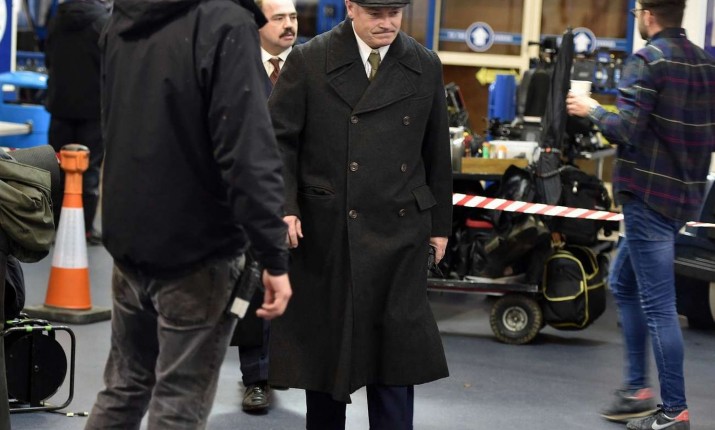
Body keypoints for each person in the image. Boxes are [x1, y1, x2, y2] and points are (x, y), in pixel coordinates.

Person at [84, 0, 292, 429]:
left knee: (123, 389)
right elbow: (248, 155)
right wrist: (273, 256)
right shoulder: (227, 23)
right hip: (196, 252)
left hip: (129, 241)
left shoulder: (124, 17)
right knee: (178, 405)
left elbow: (111, 125)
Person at [267, 0, 453, 427]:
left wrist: (440, 226)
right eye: (375, 13)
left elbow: (436, 152)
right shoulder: (311, 60)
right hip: (328, 231)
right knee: (326, 359)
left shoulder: (424, 64)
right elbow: (278, 141)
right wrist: (284, 206)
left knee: (395, 357)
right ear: (350, 6)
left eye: (394, 13)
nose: (387, 23)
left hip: (400, 230)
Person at [566, 1, 715, 430]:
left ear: (648, 14)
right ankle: (637, 390)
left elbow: (625, 129)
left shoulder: (646, 61)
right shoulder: (705, 64)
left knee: (659, 307)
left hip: (649, 198)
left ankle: (674, 411)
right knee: (623, 282)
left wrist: (590, 108)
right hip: (684, 196)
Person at [235, 0, 298, 414]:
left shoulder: (310, 66)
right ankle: (256, 377)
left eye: (293, 17)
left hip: (300, 198)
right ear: (258, 23)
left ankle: (286, 366)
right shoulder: (237, 66)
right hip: (250, 198)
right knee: (255, 289)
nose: (289, 25)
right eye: (279, 18)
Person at [44, 0, 110, 243]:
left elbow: (48, 59)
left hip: (60, 106)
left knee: (57, 167)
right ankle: (85, 228)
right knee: (89, 169)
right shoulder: (104, 23)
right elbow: (110, 66)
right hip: (93, 109)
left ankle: (54, 224)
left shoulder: (57, 20)